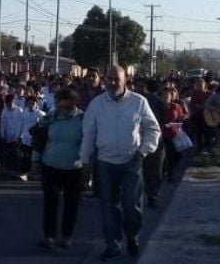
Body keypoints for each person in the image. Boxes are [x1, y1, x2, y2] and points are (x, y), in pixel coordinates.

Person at [79, 66, 161, 261]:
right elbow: (88, 134)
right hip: (105, 162)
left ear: (126, 80)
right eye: (109, 79)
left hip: (131, 160)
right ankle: (113, 244)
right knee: (109, 205)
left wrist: (143, 151)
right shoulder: (96, 104)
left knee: (131, 204)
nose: (113, 83)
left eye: (117, 79)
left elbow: (153, 129)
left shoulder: (138, 102)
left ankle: (132, 236)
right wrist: (85, 161)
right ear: (104, 80)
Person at [30, 87, 85, 250]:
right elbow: (38, 140)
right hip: (51, 165)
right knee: (50, 203)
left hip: (74, 167)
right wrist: (35, 161)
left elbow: (89, 143)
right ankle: (49, 236)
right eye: (59, 102)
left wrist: (90, 168)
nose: (62, 106)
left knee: (71, 204)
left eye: (66, 103)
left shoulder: (83, 118)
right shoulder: (50, 118)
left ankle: (67, 236)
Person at [142, 79, 166, 208]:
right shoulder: (158, 101)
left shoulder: (138, 101)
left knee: (147, 169)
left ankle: (149, 194)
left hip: (146, 138)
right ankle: (152, 195)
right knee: (155, 169)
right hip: (155, 138)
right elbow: (163, 119)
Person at [159, 86, 187, 182]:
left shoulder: (176, 106)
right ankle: (168, 174)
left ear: (171, 97)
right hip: (163, 134)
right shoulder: (158, 107)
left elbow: (181, 117)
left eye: (167, 95)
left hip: (175, 133)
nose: (165, 97)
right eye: (163, 95)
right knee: (167, 155)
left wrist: (182, 119)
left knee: (179, 155)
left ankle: (168, 170)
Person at [20, 96, 45, 178]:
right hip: (25, 138)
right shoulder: (24, 112)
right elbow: (21, 125)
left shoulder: (41, 114)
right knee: (26, 157)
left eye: (33, 103)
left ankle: (35, 173)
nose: (31, 105)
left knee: (34, 158)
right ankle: (26, 173)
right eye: (29, 103)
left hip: (36, 139)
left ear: (36, 104)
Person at [0, 94, 24, 174]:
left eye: (11, 102)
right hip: (7, 136)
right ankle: (7, 169)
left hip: (16, 136)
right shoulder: (4, 111)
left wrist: (18, 136)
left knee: (16, 154)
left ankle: (16, 170)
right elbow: (2, 124)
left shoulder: (19, 110)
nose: (9, 104)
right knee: (7, 154)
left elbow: (21, 124)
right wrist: (2, 135)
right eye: (8, 103)